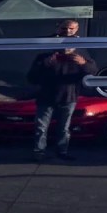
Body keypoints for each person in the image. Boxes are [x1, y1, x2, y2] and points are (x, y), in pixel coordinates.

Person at [27, 20, 96, 160]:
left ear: (76, 30)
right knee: (41, 127)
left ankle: (62, 152)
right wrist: (48, 62)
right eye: (65, 29)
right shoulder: (46, 52)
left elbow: (93, 71)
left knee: (64, 127)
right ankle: (39, 152)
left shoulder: (81, 51)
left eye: (71, 29)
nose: (68, 32)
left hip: (68, 96)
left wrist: (83, 63)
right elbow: (32, 77)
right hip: (46, 95)